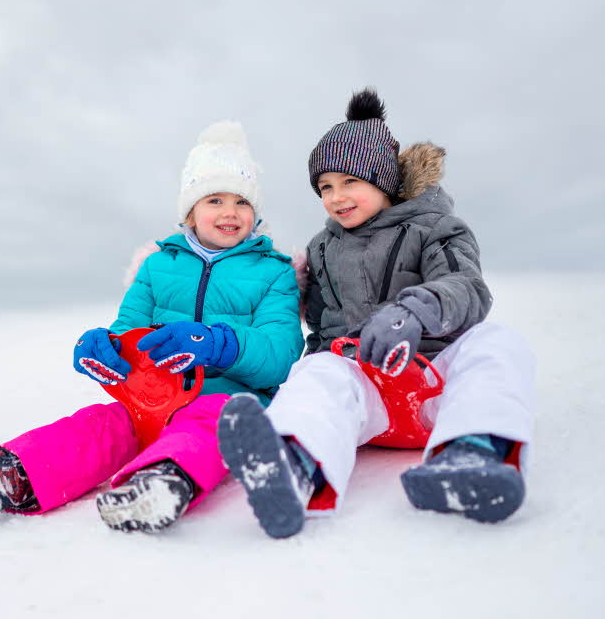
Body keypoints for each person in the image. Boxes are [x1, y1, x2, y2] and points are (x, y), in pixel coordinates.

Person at [0, 120, 304, 533]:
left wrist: (219, 343)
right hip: (151, 398)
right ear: (190, 210)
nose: (230, 212)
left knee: (205, 423)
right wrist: (101, 347)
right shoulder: (158, 265)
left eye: (242, 201)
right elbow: (128, 330)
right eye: (214, 199)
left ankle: (158, 484)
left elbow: (280, 355)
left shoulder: (274, 273)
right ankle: (1, 478)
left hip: (227, 400)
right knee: (100, 425)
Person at [217, 89, 536, 538]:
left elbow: (467, 288)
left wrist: (414, 314)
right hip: (368, 397)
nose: (336, 197)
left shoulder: (434, 228)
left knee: (497, 342)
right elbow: (325, 330)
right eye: (325, 187)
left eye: (350, 182)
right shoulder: (323, 248)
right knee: (320, 369)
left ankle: (471, 452)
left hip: (433, 388)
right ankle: (293, 465)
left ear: (383, 180)